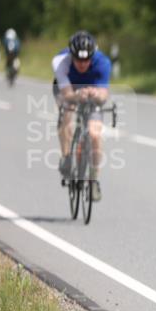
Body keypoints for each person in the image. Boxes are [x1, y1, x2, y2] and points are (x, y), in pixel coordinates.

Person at [52, 31, 112, 201]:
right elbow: (67, 95)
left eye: (86, 60)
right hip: (68, 87)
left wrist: (95, 94)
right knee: (67, 114)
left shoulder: (103, 63)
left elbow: (103, 96)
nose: (82, 64)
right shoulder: (60, 62)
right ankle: (66, 157)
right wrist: (77, 96)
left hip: (91, 88)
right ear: (71, 55)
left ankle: (93, 180)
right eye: (78, 60)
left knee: (95, 134)